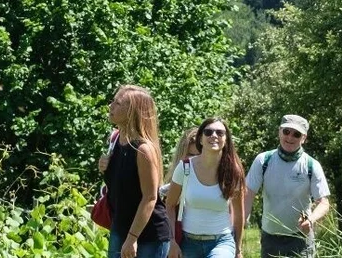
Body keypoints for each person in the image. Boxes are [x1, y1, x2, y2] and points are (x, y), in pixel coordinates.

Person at [244, 114, 331, 258]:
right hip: (270, 238)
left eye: (296, 134)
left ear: (304, 138)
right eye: (286, 131)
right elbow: (248, 193)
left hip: (300, 239)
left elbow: (323, 202)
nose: (290, 137)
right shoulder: (263, 160)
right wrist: (242, 220)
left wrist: (311, 220)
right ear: (279, 132)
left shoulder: (311, 165)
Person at [100, 85, 171, 258]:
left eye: (117, 103)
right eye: (113, 102)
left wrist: (132, 239)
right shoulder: (115, 139)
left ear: (132, 111)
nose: (111, 106)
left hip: (148, 235)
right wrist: (103, 166)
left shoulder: (143, 150)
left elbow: (150, 197)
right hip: (120, 227)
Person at [163, 117, 246, 258]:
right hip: (188, 242)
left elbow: (239, 215)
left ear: (226, 140)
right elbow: (169, 205)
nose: (214, 136)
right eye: (208, 132)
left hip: (222, 242)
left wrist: (238, 249)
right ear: (200, 139)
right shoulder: (185, 167)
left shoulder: (233, 172)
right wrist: (172, 242)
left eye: (220, 133)